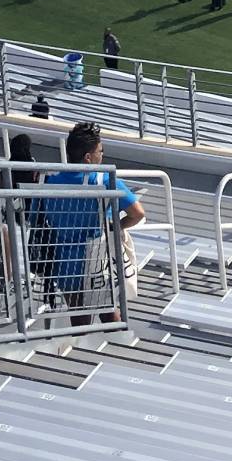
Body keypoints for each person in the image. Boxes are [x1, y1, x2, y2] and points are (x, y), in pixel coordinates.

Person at [41, 121, 144, 326]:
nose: (102, 155)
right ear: (88, 157)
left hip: (65, 262)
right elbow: (138, 214)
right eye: (100, 151)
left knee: (79, 320)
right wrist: (116, 226)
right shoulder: (105, 180)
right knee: (110, 317)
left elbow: (44, 218)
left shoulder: (50, 182)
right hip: (97, 261)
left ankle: (80, 352)